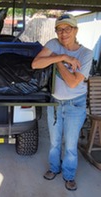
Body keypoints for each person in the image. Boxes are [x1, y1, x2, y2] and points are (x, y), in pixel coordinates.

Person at [32, 14, 93, 191]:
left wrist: (57, 60)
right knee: (55, 141)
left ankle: (69, 175)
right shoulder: (53, 44)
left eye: (68, 29)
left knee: (71, 144)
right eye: (59, 29)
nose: (63, 33)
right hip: (56, 103)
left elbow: (73, 83)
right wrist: (63, 58)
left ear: (75, 30)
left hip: (75, 104)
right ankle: (54, 168)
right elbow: (36, 64)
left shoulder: (85, 54)